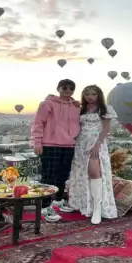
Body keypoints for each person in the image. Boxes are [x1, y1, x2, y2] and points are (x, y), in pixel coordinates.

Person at [31, 79, 81, 222]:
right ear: (58, 88)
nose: (67, 91)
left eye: (71, 88)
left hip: (69, 145)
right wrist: (37, 143)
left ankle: (58, 200)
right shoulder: (47, 104)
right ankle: (44, 206)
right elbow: (38, 123)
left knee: (63, 175)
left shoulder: (77, 106)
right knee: (49, 176)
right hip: (50, 145)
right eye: (64, 88)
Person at [68, 85, 118, 225]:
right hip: (80, 144)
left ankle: (97, 208)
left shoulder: (105, 109)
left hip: (96, 144)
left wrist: (97, 145)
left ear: (99, 95)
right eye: (87, 94)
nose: (90, 97)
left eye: (93, 94)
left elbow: (106, 129)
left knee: (95, 173)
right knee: (82, 173)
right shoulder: (82, 109)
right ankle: (84, 204)